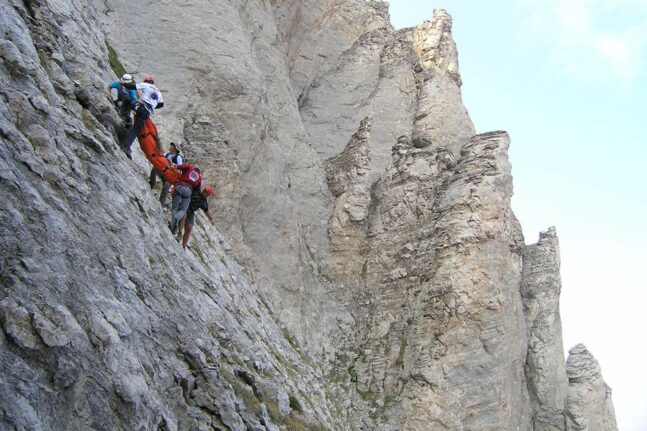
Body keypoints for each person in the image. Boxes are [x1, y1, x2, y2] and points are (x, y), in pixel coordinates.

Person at [121, 74, 164, 158]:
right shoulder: (158, 92)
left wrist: (122, 83)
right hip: (147, 112)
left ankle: (125, 116)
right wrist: (153, 106)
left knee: (127, 98)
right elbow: (161, 104)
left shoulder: (145, 85)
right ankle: (126, 146)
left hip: (140, 105)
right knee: (135, 130)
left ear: (146, 81)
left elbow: (132, 87)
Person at [169, 164, 202, 234]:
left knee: (175, 207)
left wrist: (176, 166)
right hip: (188, 191)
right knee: (183, 209)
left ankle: (173, 221)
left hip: (179, 186)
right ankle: (175, 221)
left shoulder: (190, 167)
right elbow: (197, 190)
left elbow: (182, 166)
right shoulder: (199, 177)